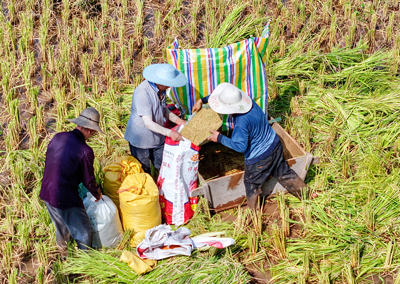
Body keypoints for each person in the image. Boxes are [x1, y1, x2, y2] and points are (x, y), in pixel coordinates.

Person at [192, 83, 317, 209]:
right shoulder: (247, 103)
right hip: (274, 144)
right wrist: (201, 100)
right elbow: (223, 98)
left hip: (259, 158)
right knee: (284, 173)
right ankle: (308, 194)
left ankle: (254, 212)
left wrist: (219, 138)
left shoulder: (241, 123)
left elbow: (240, 147)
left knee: (251, 183)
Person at [39, 107, 103, 254]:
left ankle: (63, 254)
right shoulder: (85, 151)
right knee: (85, 231)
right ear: (90, 131)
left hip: (47, 192)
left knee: (61, 226)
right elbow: (89, 181)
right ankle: (84, 263)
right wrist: (97, 193)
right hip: (65, 197)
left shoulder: (58, 137)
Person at [124, 64, 187, 175]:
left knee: (163, 165)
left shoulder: (161, 91)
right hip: (141, 139)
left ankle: (161, 186)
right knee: (143, 171)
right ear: (161, 82)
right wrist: (170, 132)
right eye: (168, 84)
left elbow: (163, 109)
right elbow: (148, 123)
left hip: (157, 136)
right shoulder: (143, 93)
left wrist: (178, 120)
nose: (169, 87)